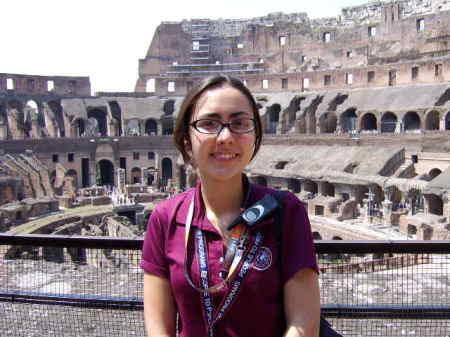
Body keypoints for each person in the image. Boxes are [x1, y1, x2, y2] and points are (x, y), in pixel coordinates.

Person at [141, 75, 320, 337]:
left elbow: (304, 326)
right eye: (209, 123)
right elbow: (158, 330)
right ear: (187, 138)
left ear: (254, 136)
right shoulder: (165, 218)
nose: (225, 137)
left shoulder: (287, 211)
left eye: (240, 123)